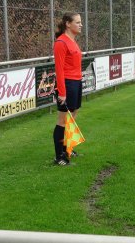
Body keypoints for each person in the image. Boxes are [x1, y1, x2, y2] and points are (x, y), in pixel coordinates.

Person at [52, 12, 83, 166]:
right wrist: (62, 93)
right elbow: (59, 70)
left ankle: (68, 148)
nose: (80, 24)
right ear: (68, 24)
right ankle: (59, 157)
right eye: (77, 22)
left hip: (76, 82)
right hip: (67, 84)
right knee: (63, 120)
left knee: (73, 117)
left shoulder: (73, 41)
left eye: (80, 22)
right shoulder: (61, 43)